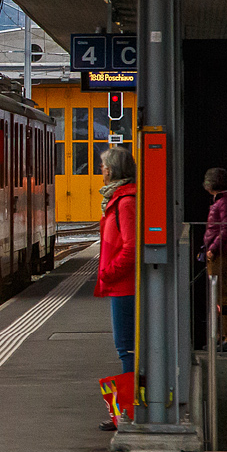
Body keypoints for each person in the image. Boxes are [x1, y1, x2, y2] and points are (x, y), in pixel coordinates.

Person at [95, 146, 137, 431]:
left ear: (112, 170)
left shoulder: (125, 202)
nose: (101, 171)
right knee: (126, 349)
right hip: (119, 285)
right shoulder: (120, 199)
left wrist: (109, 273)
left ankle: (128, 414)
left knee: (127, 350)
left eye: (103, 167)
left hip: (124, 286)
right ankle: (126, 411)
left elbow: (130, 247)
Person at [200, 167, 227, 352]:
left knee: (221, 295)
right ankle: (222, 336)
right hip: (217, 252)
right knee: (217, 296)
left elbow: (226, 228)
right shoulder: (223, 201)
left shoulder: (223, 202)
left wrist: (212, 249)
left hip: (220, 253)